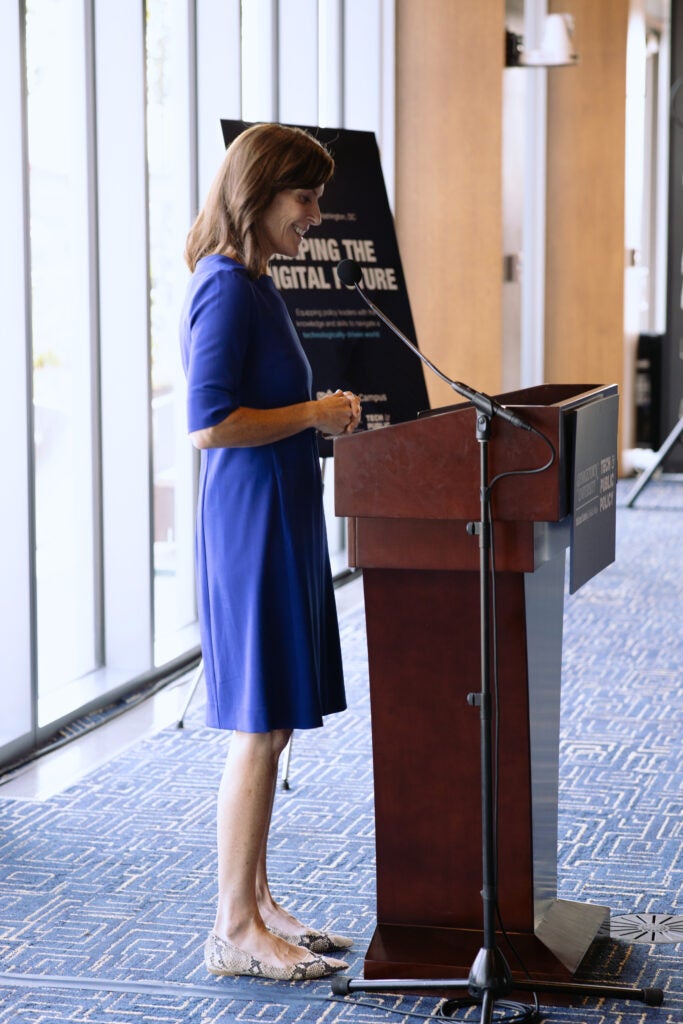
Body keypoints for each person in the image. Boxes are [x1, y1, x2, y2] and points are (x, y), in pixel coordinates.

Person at [180, 122, 361, 981]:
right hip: (249, 527)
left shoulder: (255, 283)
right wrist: (315, 414)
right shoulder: (223, 287)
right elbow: (210, 424)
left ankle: (257, 900)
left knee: (275, 718)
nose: (317, 215)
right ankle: (233, 929)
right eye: (306, 197)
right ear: (259, 194)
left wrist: (312, 412)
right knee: (257, 726)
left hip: (278, 519)